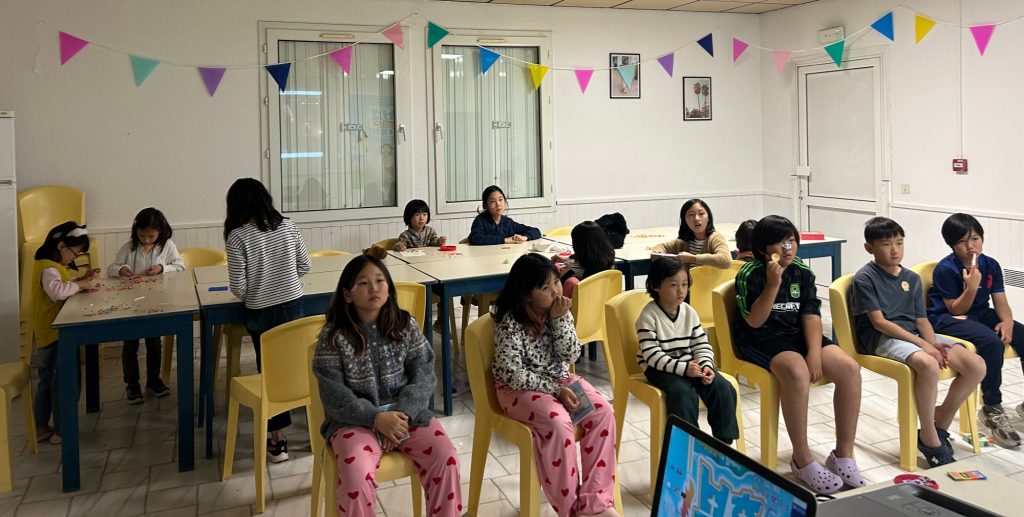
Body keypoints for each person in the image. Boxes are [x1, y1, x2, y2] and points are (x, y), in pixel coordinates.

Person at [313, 255, 461, 516]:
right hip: (354, 422)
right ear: (347, 294)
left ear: (389, 288)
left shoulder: (405, 325)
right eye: (363, 283)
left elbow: (424, 373)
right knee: (356, 478)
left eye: (380, 280)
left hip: (408, 416)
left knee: (446, 459)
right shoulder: (333, 335)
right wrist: (377, 419)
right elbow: (334, 394)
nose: (374, 288)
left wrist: (402, 416)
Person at [734, 215, 863, 494]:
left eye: (791, 241)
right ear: (764, 248)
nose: (788, 248)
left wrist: (814, 353)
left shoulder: (802, 272)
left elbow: (811, 314)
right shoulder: (750, 273)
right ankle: (802, 458)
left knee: (849, 369)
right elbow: (754, 321)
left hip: (797, 334)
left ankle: (843, 455)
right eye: (780, 243)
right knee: (796, 371)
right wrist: (772, 284)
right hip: (760, 337)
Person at [492, 254, 620, 517]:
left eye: (556, 283)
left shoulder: (559, 312)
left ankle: (594, 504)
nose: (555, 291)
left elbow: (571, 355)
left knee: (603, 412)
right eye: (545, 287)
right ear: (527, 295)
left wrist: (560, 321)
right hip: (519, 390)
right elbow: (512, 373)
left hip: (560, 380)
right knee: (558, 424)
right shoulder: (510, 323)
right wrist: (554, 390)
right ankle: (570, 510)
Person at [850, 217, 985, 466]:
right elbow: (880, 323)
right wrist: (923, 345)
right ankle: (930, 437)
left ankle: (940, 422)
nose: (894, 250)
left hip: (914, 335)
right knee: (928, 364)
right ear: (870, 248)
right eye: (886, 244)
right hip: (883, 338)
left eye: (899, 243)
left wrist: (932, 343)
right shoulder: (865, 278)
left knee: (976, 365)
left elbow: (921, 319)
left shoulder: (911, 278)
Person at [224, 178, 311, 462]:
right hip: (293, 305)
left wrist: (259, 290)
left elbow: (238, 287)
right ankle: (314, 431)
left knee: (269, 371)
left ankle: (278, 439)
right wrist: (285, 282)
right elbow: (305, 265)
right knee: (295, 365)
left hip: (260, 310)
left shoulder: (238, 236)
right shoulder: (288, 226)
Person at [926, 213, 1024, 448]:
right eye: (962, 241)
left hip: (979, 313)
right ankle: (992, 407)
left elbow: (1000, 300)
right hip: (947, 318)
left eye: (975, 239)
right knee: (991, 342)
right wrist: (971, 286)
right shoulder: (946, 269)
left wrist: (1007, 321)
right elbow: (956, 308)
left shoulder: (991, 264)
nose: (970, 246)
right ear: (951, 245)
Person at [636, 257, 738, 444]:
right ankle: (688, 443)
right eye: (673, 285)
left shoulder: (689, 311)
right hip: (659, 368)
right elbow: (651, 356)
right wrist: (683, 369)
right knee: (683, 394)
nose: (681, 290)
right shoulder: (648, 315)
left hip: (690, 364)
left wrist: (706, 365)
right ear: (655, 286)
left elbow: (701, 344)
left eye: (684, 284)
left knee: (723, 388)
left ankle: (724, 443)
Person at [106, 207, 185, 403]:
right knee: (130, 344)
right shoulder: (129, 247)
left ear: (160, 232)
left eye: (151, 236)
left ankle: (153, 380)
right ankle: (132, 384)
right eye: (142, 235)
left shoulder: (167, 246)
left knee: (154, 342)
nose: (146, 240)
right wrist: (121, 270)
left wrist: (162, 268)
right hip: (131, 303)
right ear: (136, 231)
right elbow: (111, 268)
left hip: (157, 301)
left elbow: (180, 266)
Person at [32, 221, 99, 444]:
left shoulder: (47, 265)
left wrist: (80, 279)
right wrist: (81, 286)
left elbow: (60, 284)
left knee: (46, 381)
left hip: (47, 333)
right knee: (64, 382)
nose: (74, 259)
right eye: (74, 253)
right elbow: (57, 292)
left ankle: (41, 427)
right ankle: (62, 431)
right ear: (61, 245)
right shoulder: (49, 268)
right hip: (55, 335)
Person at [651, 198, 732, 269]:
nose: (696, 218)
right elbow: (662, 246)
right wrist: (657, 253)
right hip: (689, 282)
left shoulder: (715, 237)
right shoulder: (684, 242)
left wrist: (693, 258)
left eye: (701, 213)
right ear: (685, 220)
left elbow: (726, 261)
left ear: (708, 218)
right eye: (691, 215)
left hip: (710, 282)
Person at [551, 221, 615, 298]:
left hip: (584, 298)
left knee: (557, 271)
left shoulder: (586, 272)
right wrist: (566, 259)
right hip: (605, 299)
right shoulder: (605, 256)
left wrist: (565, 274)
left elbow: (584, 282)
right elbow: (584, 256)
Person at [468, 185, 541, 245]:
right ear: (485, 205)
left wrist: (524, 237)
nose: (498, 204)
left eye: (500, 200)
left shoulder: (508, 222)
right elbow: (475, 238)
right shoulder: (480, 220)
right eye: (493, 201)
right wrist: (505, 240)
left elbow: (536, 231)